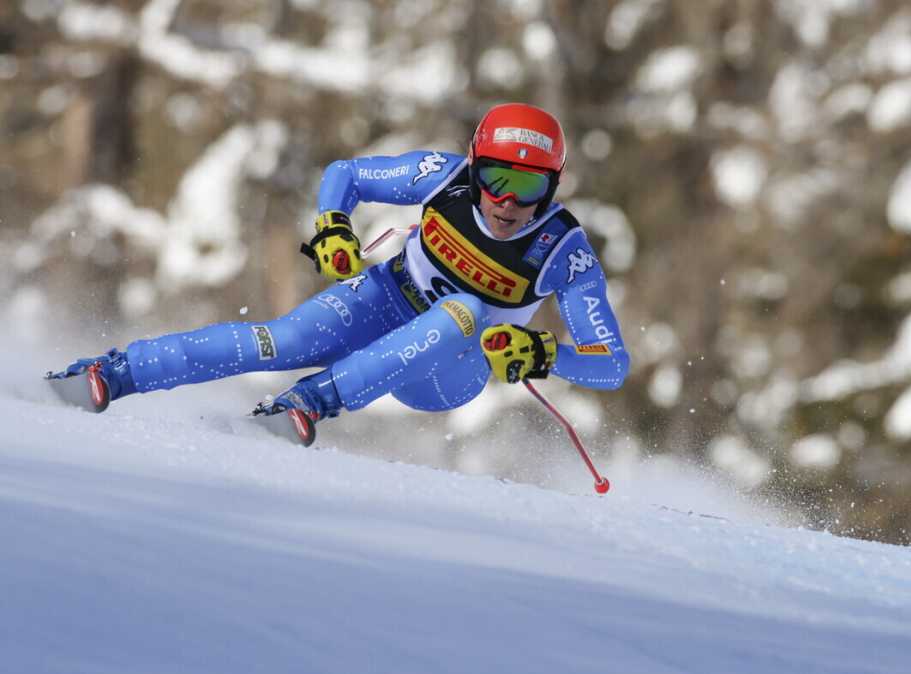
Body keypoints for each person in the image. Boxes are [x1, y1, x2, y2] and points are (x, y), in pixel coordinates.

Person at [47, 103, 630, 444]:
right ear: (474, 167)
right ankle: (113, 372)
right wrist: (333, 227)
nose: (507, 201)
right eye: (496, 179)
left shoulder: (564, 250)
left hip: (446, 372)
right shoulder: (443, 176)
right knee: (282, 340)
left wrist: (542, 353)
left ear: (553, 186)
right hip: (386, 300)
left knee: (465, 311)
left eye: (528, 186)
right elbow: (345, 175)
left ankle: (310, 402)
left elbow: (612, 364)